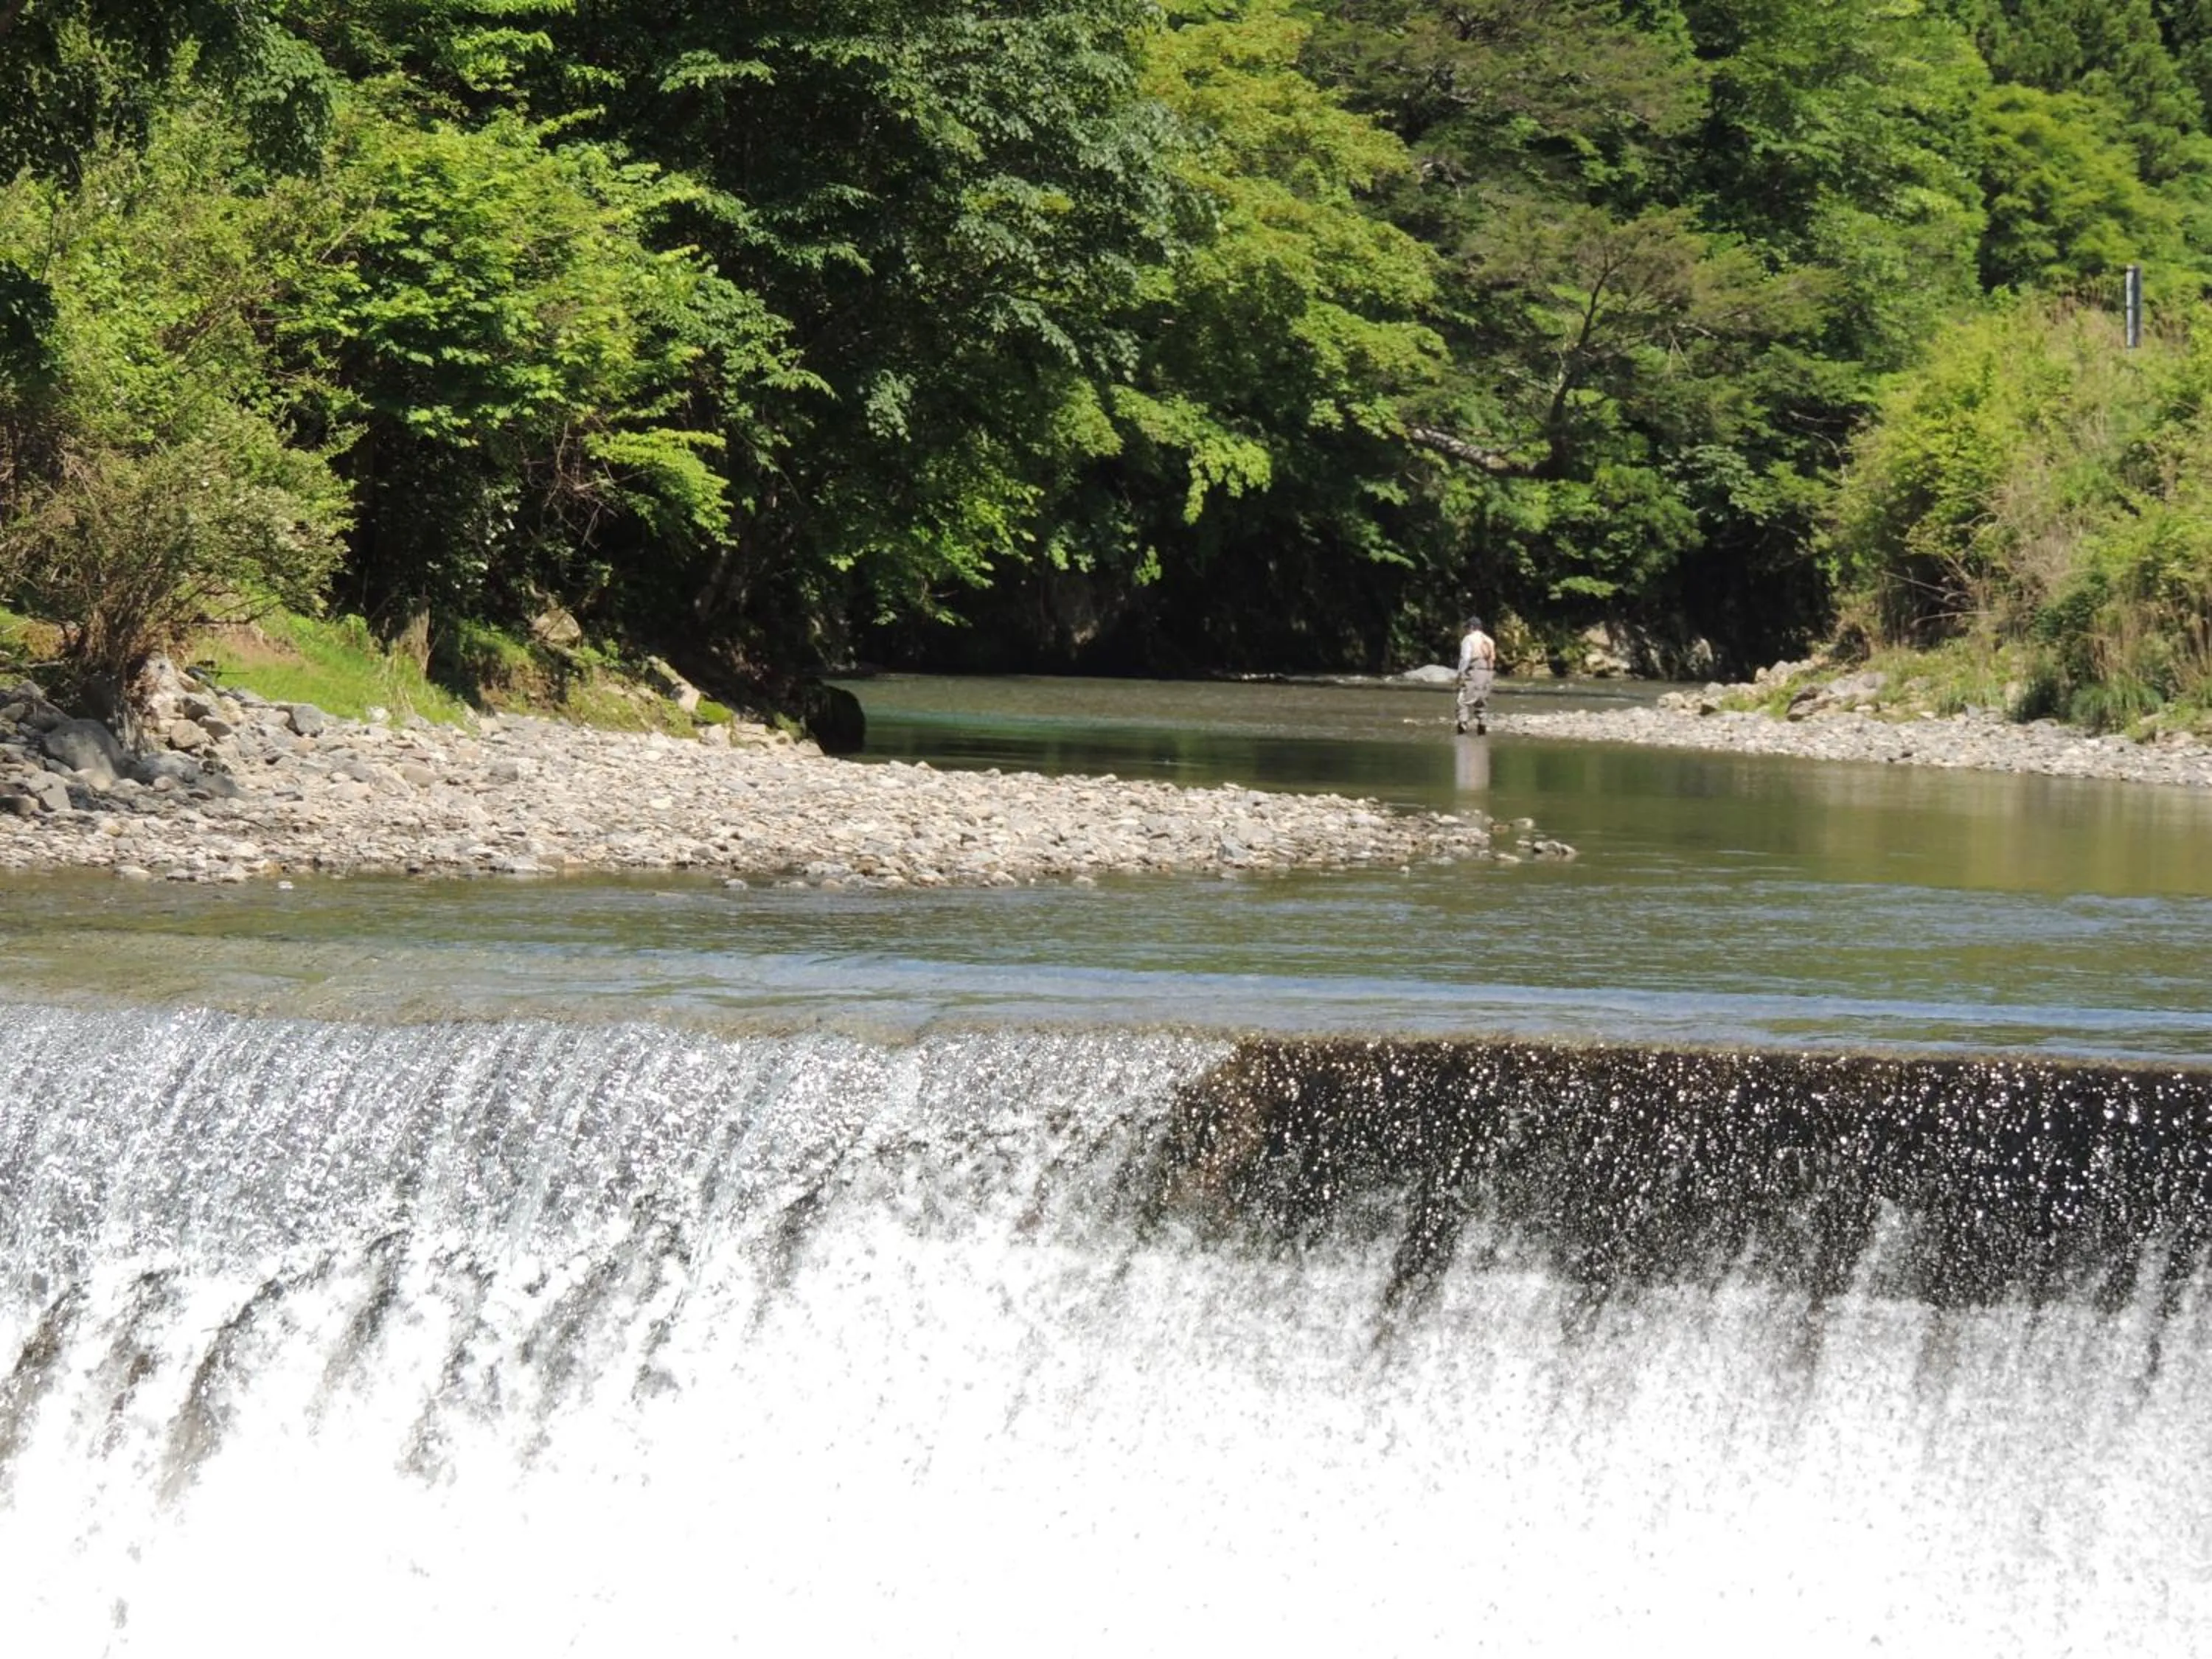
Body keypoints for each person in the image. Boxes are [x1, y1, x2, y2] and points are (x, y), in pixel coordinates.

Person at [1455, 614, 1496, 734]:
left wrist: (1460, 673)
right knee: (1481, 698)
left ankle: (1463, 724)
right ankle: (1482, 724)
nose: (1466, 630)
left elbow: (1466, 658)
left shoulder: (1469, 639)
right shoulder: (1489, 640)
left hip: (1474, 670)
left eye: (1467, 628)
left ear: (1472, 627)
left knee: (1463, 700)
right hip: (1488, 672)